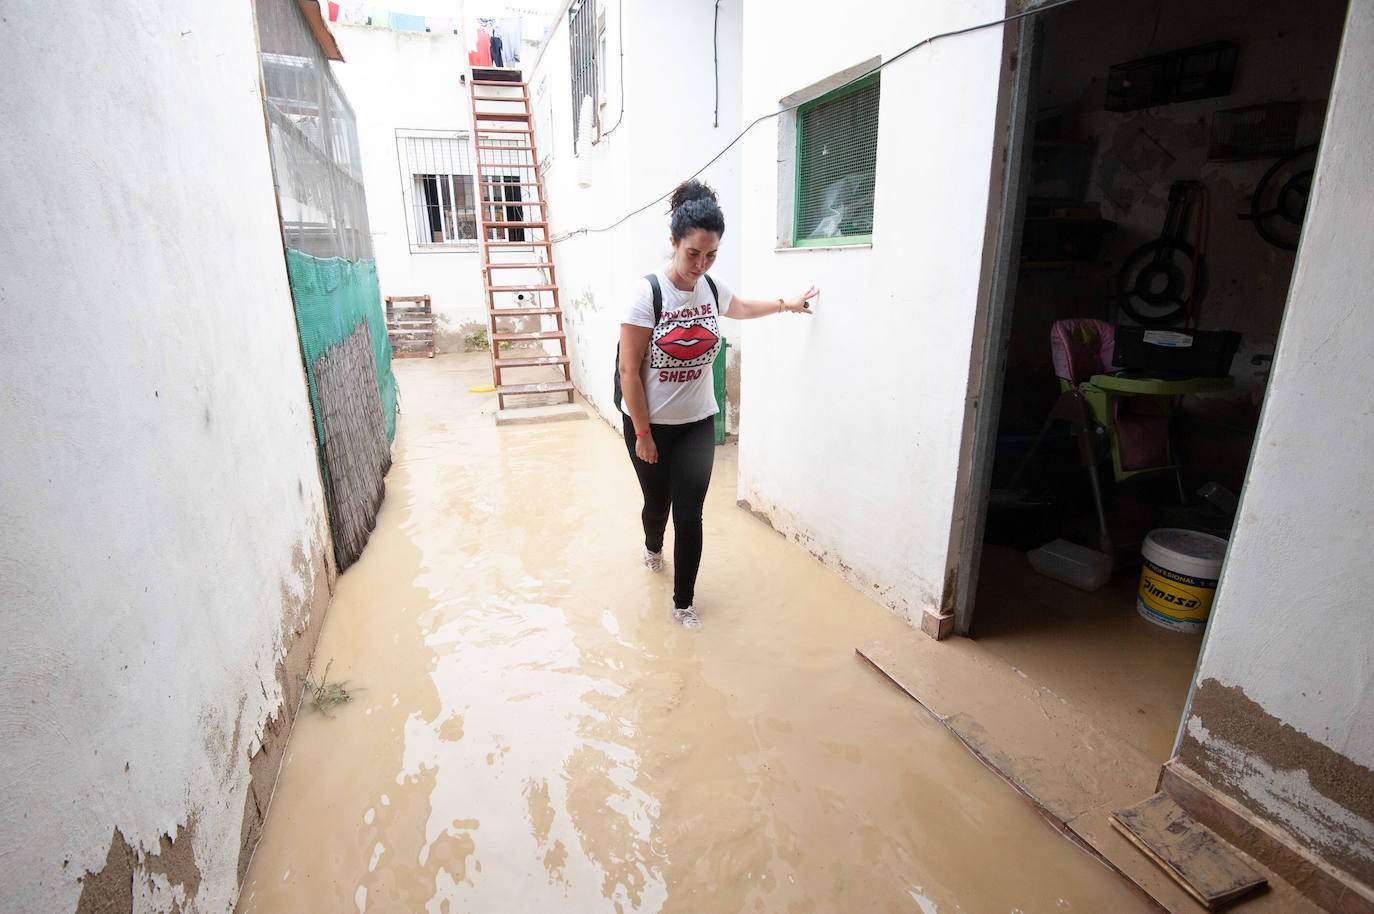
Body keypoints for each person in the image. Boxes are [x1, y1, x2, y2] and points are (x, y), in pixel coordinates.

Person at [618, 179, 817, 627]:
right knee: (658, 506)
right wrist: (645, 435)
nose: (701, 265)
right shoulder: (646, 294)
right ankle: (652, 547)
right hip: (649, 424)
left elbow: (742, 308)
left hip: (696, 422)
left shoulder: (710, 287)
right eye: (693, 254)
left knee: (690, 514)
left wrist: (789, 304)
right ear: (673, 243)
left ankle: (683, 603)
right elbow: (629, 371)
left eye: (711, 256)